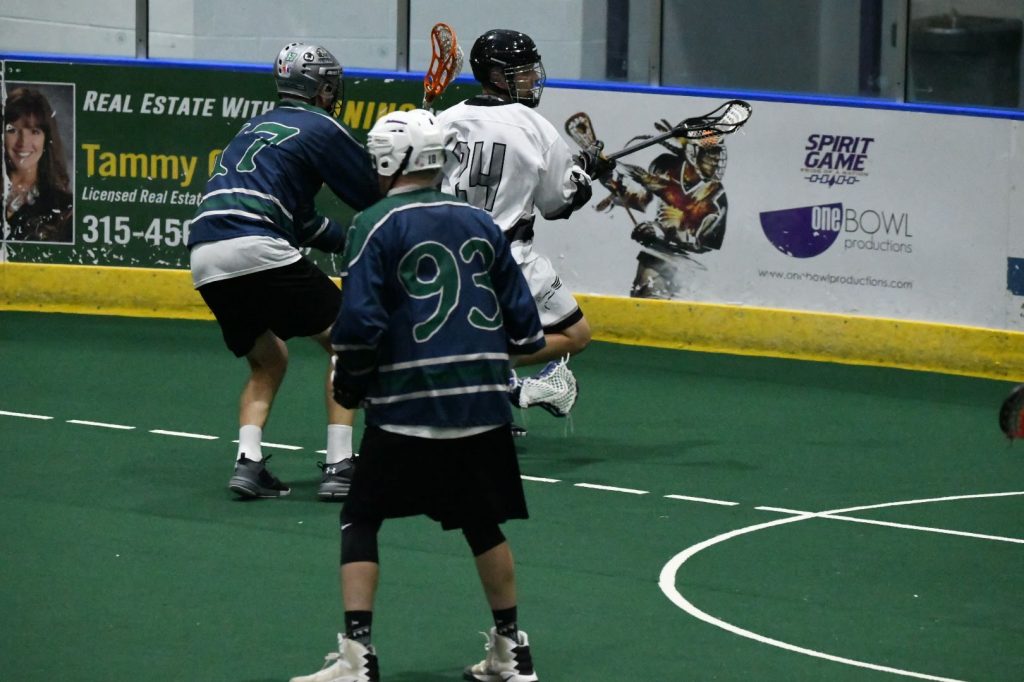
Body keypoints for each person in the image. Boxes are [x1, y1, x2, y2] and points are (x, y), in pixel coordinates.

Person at [289, 109, 544, 682]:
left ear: (387, 160)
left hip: (408, 407)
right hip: (483, 407)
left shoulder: (373, 223)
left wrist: (351, 382)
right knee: (482, 523)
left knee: (360, 518)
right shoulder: (481, 222)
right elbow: (527, 332)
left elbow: (360, 325)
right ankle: (512, 651)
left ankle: (357, 656)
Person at [187, 42, 380, 500]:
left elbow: (303, 223)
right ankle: (340, 464)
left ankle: (248, 462)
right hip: (256, 243)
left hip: (205, 255)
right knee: (348, 342)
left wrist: (344, 239)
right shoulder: (321, 125)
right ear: (323, 89)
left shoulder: (254, 127)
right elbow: (372, 193)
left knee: (268, 359)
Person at [436, 29, 605, 431]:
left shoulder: (445, 119)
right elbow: (556, 204)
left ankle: (485, 394)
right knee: (576, 334)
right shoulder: (535, 127)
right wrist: (584, 176)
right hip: (509, 259)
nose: (532, 79)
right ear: (497, 76)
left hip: (446, 255)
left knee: (473, 333)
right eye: (523, 72)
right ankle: (491, 378)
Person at [3, 87, 74, 243]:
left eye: (34, 131)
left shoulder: (64, 209)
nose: (23, 142)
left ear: (46, 139)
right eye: (12, 130)